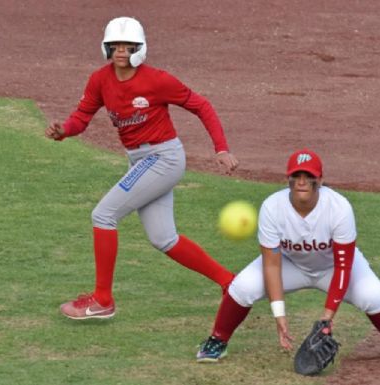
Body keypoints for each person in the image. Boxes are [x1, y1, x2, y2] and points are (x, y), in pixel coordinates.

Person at [45, 16, 238, 320]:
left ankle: (102, 300)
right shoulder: (100, 80)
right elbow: (81, 117)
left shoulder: (157, 80)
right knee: (164, 238)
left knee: (103, 215)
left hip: (164, 159)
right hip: (141, 160)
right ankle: (231, 283)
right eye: (115, 46)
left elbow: (201, 105)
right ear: (106, 48)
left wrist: (221, 148)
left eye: (127, 46)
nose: (121, 51)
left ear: (140, 48)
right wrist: (64, 130)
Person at [196, 149, 380, 371]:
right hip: (290, 264)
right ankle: (218, 340)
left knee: (375, 296)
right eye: (297, 176)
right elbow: (271, 265)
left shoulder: (339, 208)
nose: (302, 182)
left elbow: (344, 267)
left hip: (333, 267)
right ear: (288, 180)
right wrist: (279, 315)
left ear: (320, 180)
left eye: (309, 176)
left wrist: (327, 317)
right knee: (242, 287)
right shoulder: (272, 208)